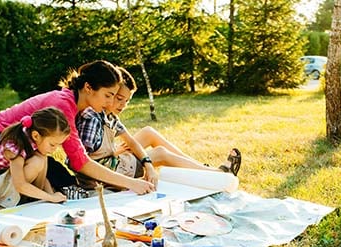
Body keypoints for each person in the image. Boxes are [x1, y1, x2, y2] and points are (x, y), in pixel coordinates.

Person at [0, 60, 155, 195]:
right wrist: (131, 183)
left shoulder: (77, 103)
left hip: (5, 146)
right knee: (47, 179)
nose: (111, 102)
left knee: (62, 181)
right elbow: (80, 162)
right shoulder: (63, 106)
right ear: (88, 88)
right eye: (108, 95)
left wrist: (145, 163)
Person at [74, 67, 241, 189]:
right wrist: (116, 152)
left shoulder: (109, 117)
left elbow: (131, 142)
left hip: (112, 161)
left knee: (148, 132)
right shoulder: (92, 116)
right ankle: (214, 174)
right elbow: (83, 160)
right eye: (117, 98)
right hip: (109, 174)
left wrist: (144, 162)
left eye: (126, 101)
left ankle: (201, 168)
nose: (121, 105)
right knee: (160, 153)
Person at [0, 107, 70, 208]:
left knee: (41, 158)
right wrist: (50, 197)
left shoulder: (32, 142)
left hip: (5, 179)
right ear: (36, 135)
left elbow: (43, 177)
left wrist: (52, 196)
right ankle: (5, 203)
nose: (55, 149)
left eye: (59, 145)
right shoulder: (16, 148)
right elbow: (20, 185)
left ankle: (34, 199)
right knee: (37, 161)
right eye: (52, 144)